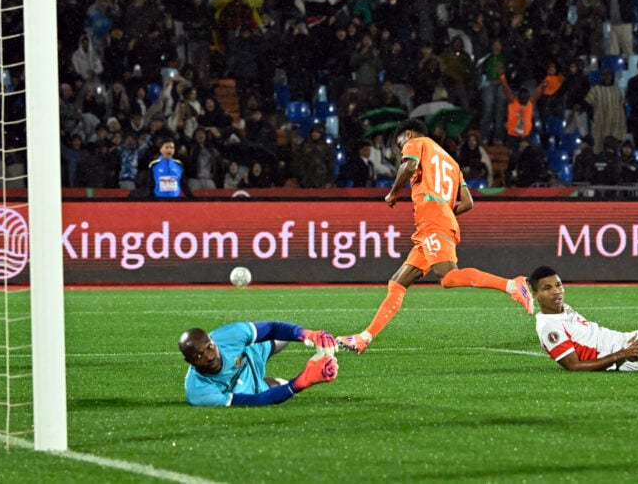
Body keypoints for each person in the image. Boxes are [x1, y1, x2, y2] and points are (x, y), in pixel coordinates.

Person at [335, 119, 533, 355]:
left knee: (448, 277)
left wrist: (393, 193)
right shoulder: (452, 162)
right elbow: (468, 203)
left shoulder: (415, 142)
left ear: (407, 134)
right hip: (436, 220)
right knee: (397, 283)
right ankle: (364, 338)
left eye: (400, 145)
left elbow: (408, 167)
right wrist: (445, 212)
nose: (401, 150)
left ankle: (513, 285)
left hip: (432, 218)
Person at [179, 322, 339, 406]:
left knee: (284, 337)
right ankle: (268, 382)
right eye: (199, 356)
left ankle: (333, 342)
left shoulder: (229, 334)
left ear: (213, 340)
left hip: (250, 354)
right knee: (278, 386)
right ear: (190, 362)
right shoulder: (199, 393)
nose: (208, 356)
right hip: (243, 387)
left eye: (209, 348)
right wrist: (301, 382)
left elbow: (273, 328)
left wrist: (308, 334)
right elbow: (258, 401)